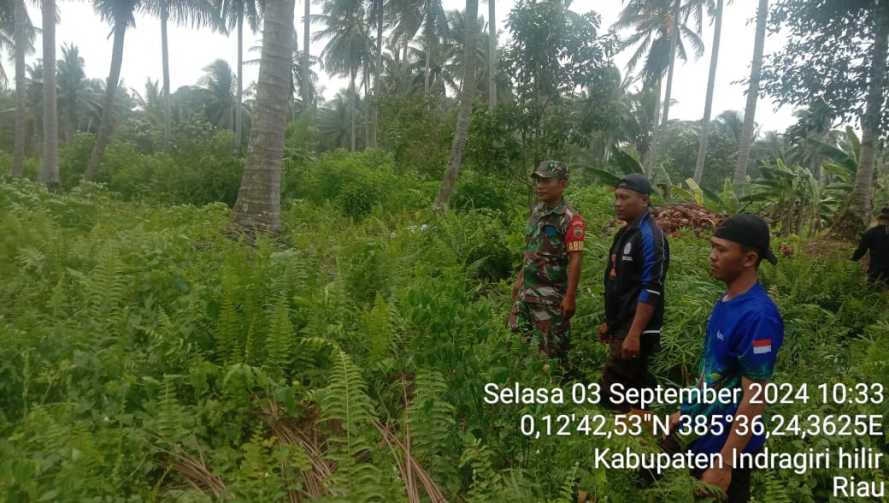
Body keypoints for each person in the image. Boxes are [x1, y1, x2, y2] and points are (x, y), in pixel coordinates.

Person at [665, 214, 784, 502]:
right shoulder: (728, 299)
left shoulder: (758, 317)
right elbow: (716, 374)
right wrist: (687, 412)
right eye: (712, 247)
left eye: (721, 249)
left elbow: (754, 397)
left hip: (728, 446)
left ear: (749, 258)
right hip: (704, 431)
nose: (712, 256)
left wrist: (724, 463)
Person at [599, 174, 669, 412]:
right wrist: (610, 323)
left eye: (624, 198)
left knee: (613, 391)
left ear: (644, 200)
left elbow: (651, 286)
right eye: (616, 197)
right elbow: (619, 283)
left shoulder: (650, 235)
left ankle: (619, 441)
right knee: (634, 390)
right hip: (623, 325)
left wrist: (634, 334)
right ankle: (642, 439)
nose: (618, 203)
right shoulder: (626, 233)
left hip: (637, 328)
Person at [508, 160, 585, 365]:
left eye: (546, 180)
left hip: (550, 298)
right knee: (516, 346)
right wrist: (519, 281)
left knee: (552, 355)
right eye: (538, 180)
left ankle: (555, 392)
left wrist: (570, 297)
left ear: (562, 183)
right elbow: (531, 249)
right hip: (526, 293)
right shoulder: (537, 211)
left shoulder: (570, 219)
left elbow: (576, 259)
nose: (539, 185)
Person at [851, 207, 889, 286]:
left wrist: (853, 260)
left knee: (873, 290)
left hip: (876, 271)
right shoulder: (871, 232)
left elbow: (861, 250)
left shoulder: (871, 232)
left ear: (878, 219)